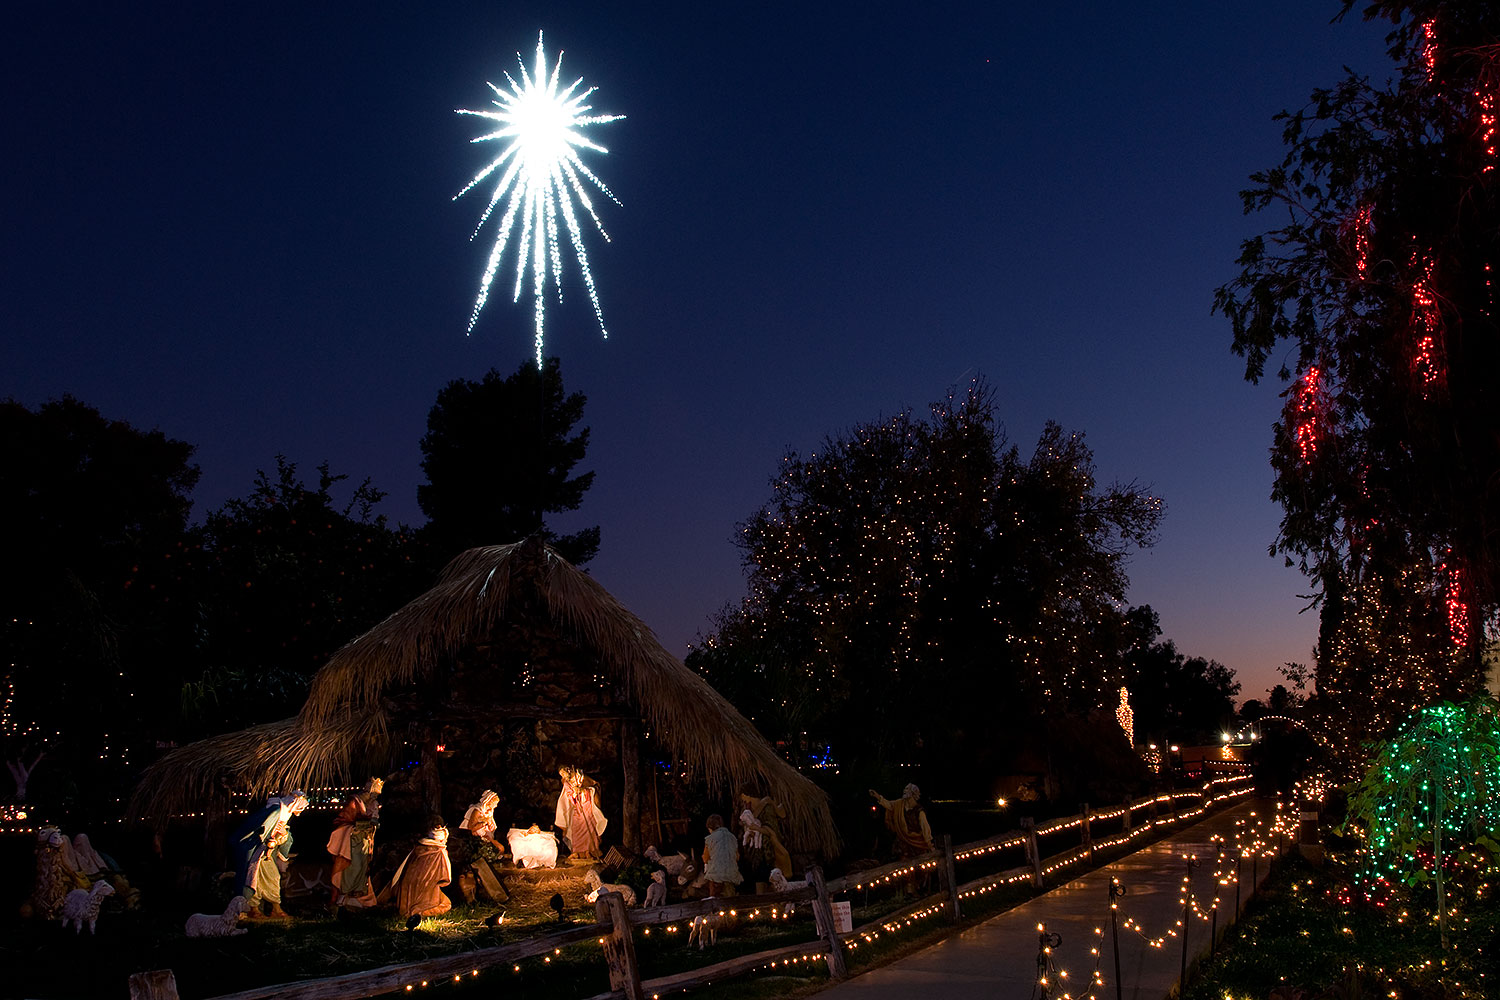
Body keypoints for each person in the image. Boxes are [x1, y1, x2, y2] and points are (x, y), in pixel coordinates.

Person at [230, 791, 308, 918]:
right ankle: (253, 909)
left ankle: (275, 908)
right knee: (254, 879)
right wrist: (267, 840)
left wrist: (282, 836)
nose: (301, 810)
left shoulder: (285, 814)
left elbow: (278, 834)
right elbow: (262, 829)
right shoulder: (276, 811)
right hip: (257, 852)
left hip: (267, 853)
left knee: (273, 877)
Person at [328, 777, 383, 908]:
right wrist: (362, 823)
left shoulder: (371, 804)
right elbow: (345, 818)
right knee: (353, 866)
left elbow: (373, 818)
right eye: (374, 793)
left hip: (364, 840)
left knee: (363, 867)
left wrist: (372, 823)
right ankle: (344, 895)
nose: (374, 796)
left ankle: (357, 896)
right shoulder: (354, 802)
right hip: (351, 839)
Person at [390, 817, 453, 920]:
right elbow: (445, 877)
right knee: (445, 904)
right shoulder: (439, 852)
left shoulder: (418, 848)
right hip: (425, 889)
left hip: (407, 891)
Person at [554, 766, 606, 860]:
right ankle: (577, 851)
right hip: (577, 807)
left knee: (589, 827)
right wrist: (574, 795)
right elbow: (569, 795)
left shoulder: (580, 775)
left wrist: (582, 789)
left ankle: (590, 851)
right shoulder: (566, 782)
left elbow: (593, 786)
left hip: (587, 805)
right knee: (577, 829)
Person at [738, 791, 793, 878]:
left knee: (772, 876)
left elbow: (771, 830)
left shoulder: (766, 807)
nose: (743, 800)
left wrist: (756, 828)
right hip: (758, 852)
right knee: (760, 876)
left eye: (743, 797)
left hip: (768, 850)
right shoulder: (748, 810)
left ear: (747, 795)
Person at [870, 784, 934, 857]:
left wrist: (929, 844)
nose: (904, 790)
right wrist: (877, 796)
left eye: (907, 789)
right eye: (905, 788)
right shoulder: (899, 804)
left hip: (918, 844)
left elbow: (925, 828)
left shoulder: (919, 812)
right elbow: (889, 805)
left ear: (913, 793)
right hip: (904, 843)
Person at [701, 814, 743, 896]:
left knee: (715, 899)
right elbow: (737, 857)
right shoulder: (733, 837)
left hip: (715, 876)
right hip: (732, 875)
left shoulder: (710, 839)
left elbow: (706, 858)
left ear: (709, 827)